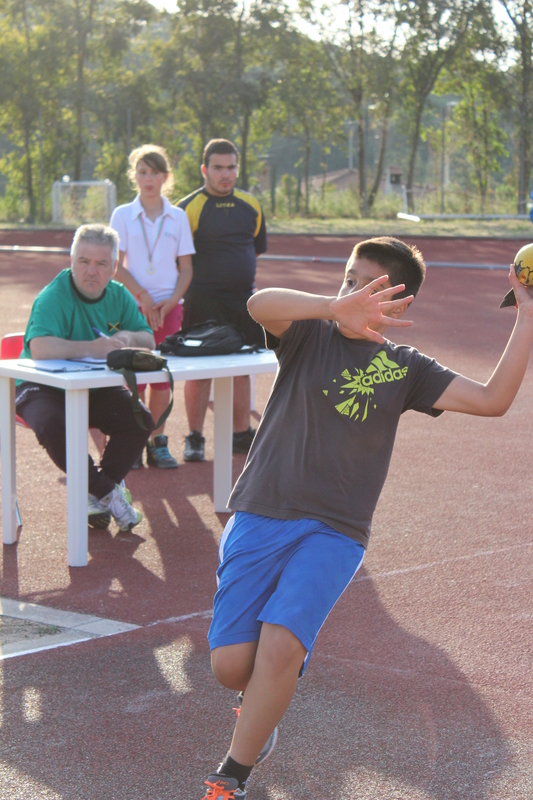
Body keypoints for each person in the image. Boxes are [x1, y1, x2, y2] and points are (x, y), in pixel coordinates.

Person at [198, 236, 533, 799]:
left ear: (400, 305)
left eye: (369, 287)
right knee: (232, 667)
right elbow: (258, 305)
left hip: (335, 529)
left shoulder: (405, 368)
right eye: (349, 279)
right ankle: (260, 706)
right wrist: (331, 306)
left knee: (281, 646)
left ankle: (231, 776)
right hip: (261, 509)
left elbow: (493, 399)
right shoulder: (309, 331)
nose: (352, 292)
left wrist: (526, 315)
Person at [16, 224, 155, 532]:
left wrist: (128, 335)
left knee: (140, 419)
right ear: (72, 260)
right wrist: (92, 348)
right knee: (53, 424)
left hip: (91, 386)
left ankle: (94, 497)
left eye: (101, 263)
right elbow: (39, 347)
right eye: (84, 261)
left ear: (114, 267)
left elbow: (148, 339)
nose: (91, 271)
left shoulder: (118, 295)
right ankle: (106, 492)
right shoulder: (53, 295)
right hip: (41, 387)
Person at [178, 138, 267, 463]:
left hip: (243, 302)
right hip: (202, 301)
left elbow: (255, 248)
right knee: (200, 371)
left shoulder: (251, 205)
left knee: (241, 369)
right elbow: (178, 259)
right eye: (218, 167)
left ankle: (240, 434)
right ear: (205, 169)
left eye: (231, 167)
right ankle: (195, 437)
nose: (225, 174)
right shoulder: (187, 208)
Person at [110, 144, 195, 469]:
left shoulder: (177, 216)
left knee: (161, 378)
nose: (148, 178)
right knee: (133, 378)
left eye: (154, 172)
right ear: (135, 176)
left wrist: (169, 301)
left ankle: (157, 442)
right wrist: (143, 297)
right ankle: (133, 441)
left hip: (170, 306)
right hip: (133, 307)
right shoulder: (122, 214)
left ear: (165, 177)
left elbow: (185, 268)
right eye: (142, 172)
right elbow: (116, 266)